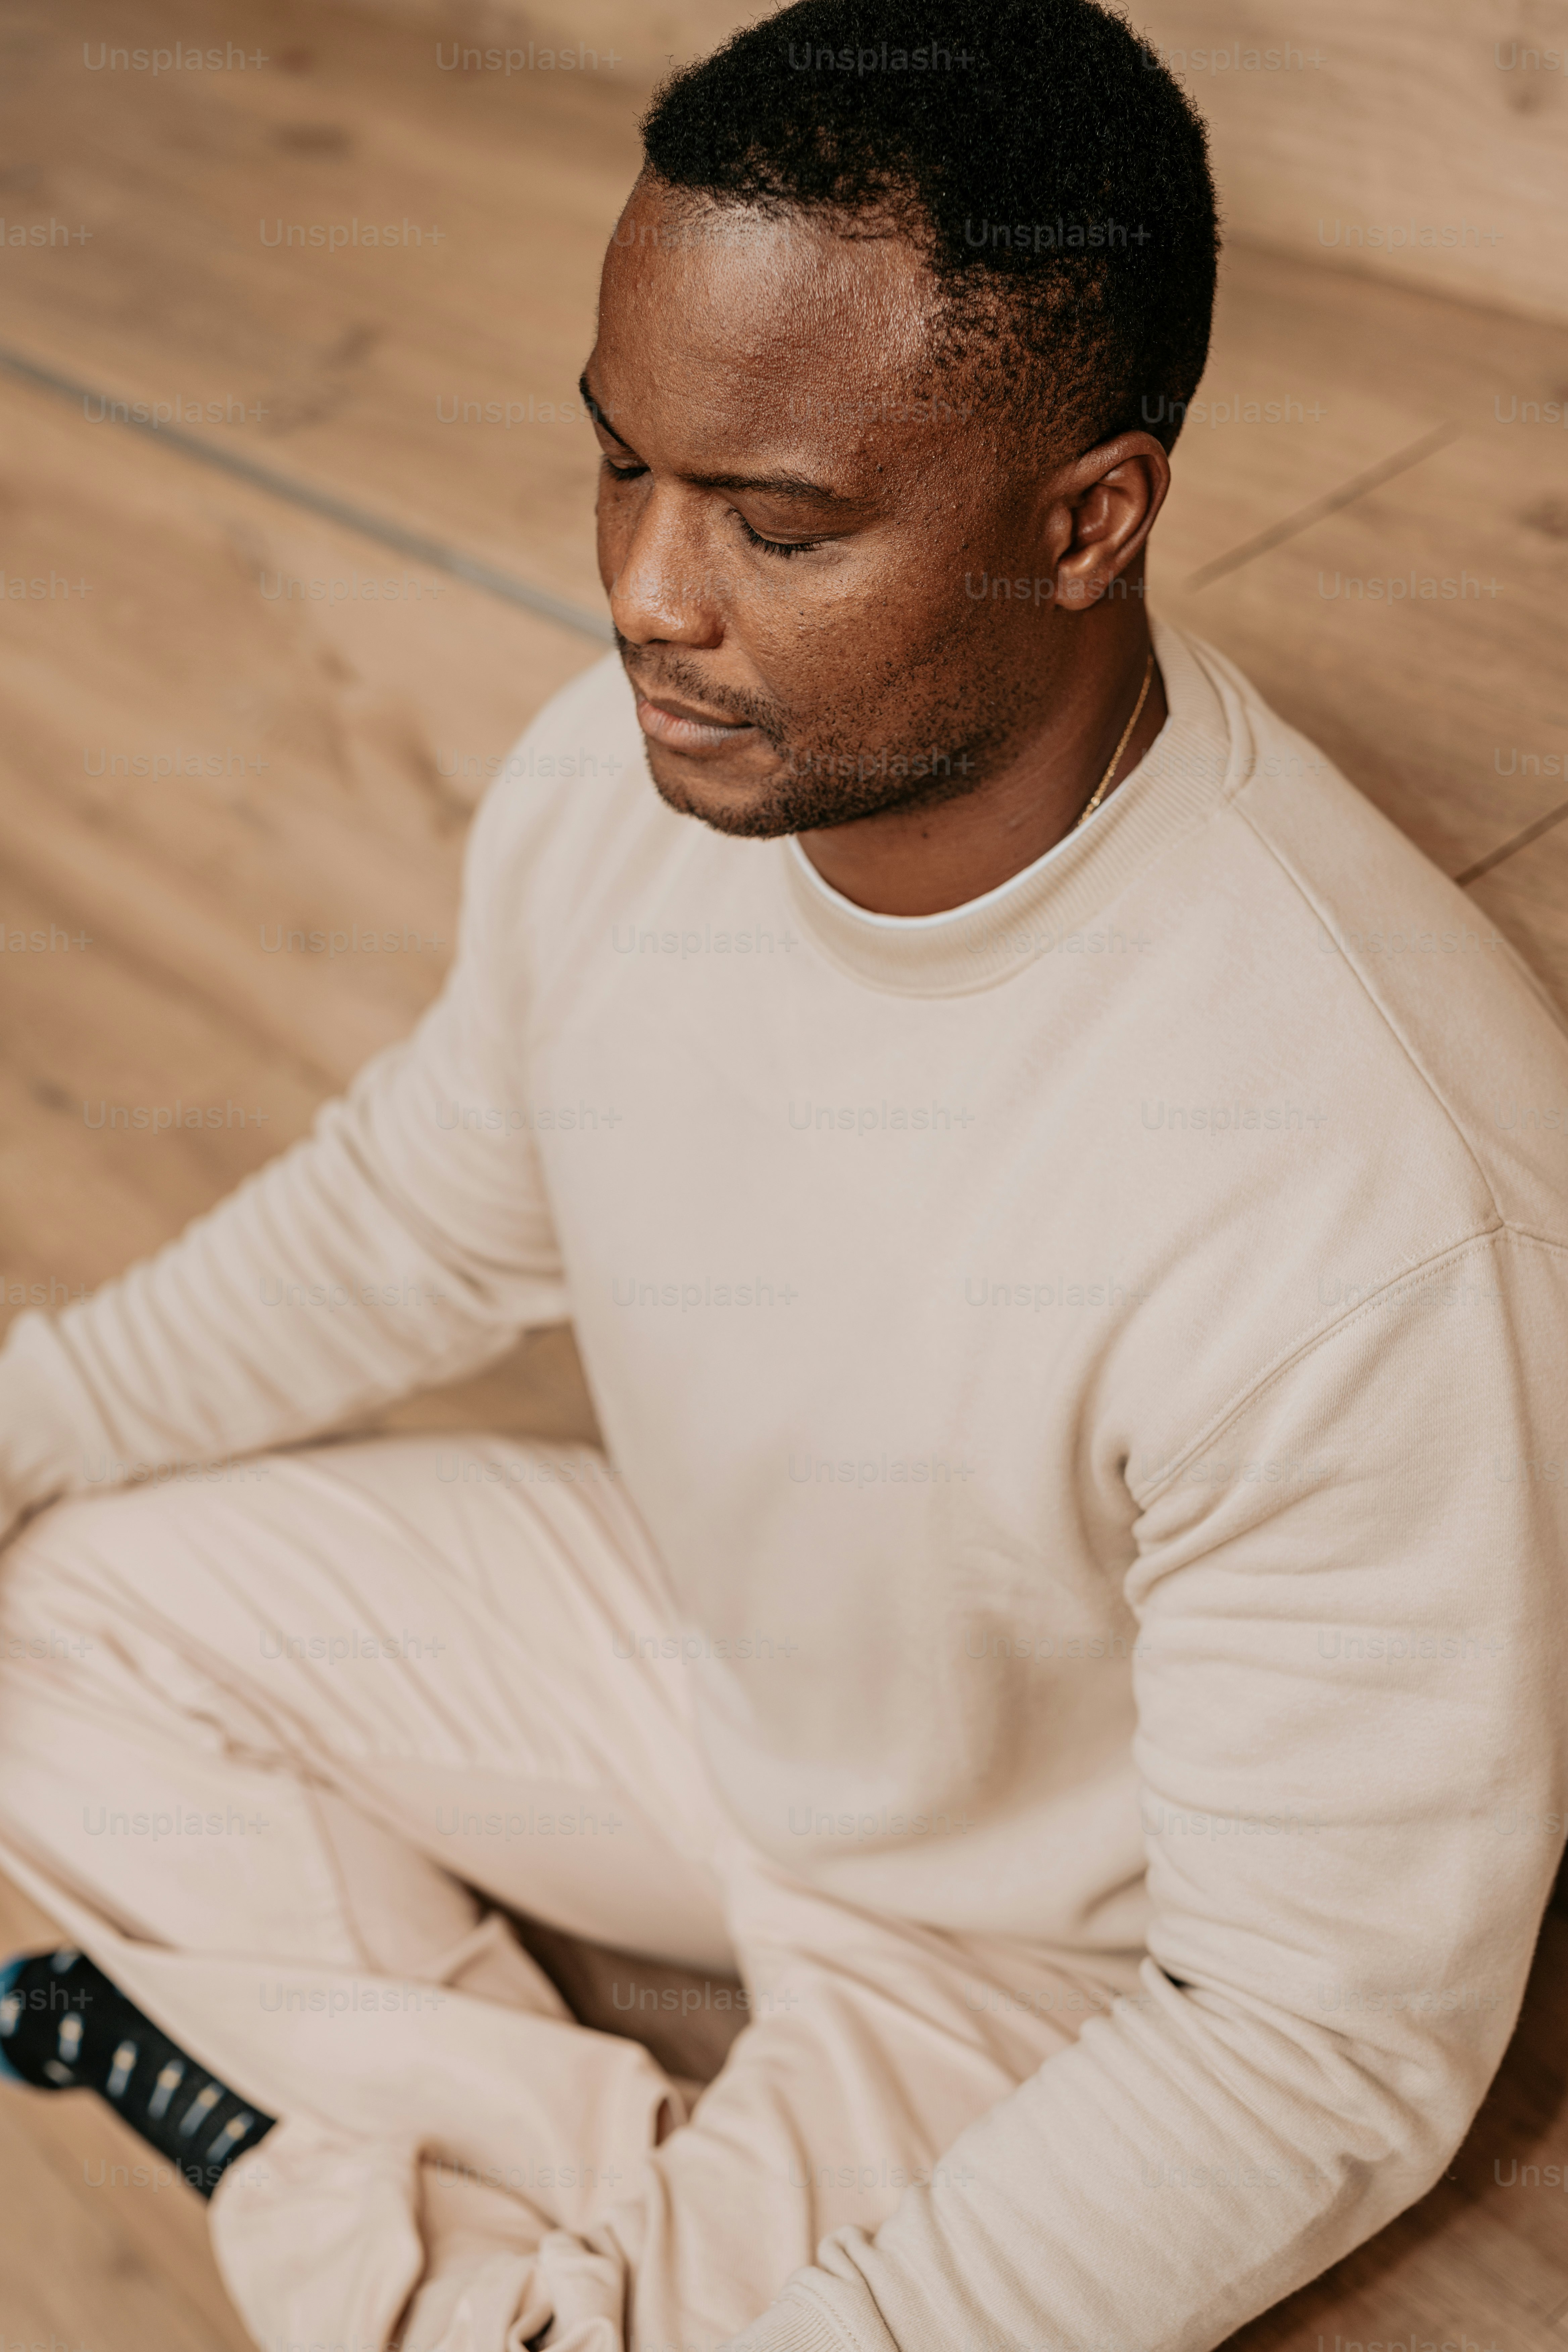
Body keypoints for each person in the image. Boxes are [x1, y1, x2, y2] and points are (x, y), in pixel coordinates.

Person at [1, 2, 1564, 2349]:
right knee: (52, 1632)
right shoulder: (637, 772)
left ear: (1091, 514)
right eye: (620, 467)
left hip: (1047, 1944)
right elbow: (417, 1217)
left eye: (776, 520)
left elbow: (1311, 2041)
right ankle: (540, 2242)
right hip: (712, 1678)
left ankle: (454, 2237)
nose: (646, 589)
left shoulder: (1375, 1202)